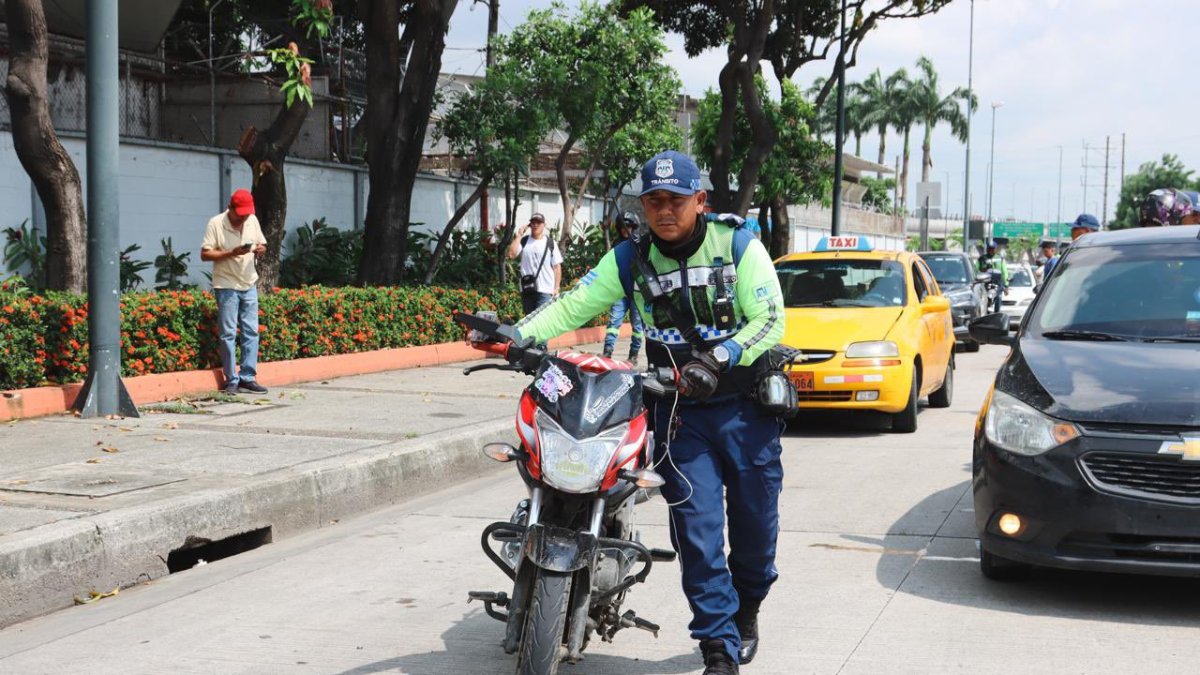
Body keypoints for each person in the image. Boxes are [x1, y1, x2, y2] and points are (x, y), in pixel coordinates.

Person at [505, 150, 785, 675]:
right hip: (678, 411)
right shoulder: (630, 258)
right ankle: (719, 648)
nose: (664, 210)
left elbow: (771, 321)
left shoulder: (739, 245)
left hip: (747, 411)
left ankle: (748, 607)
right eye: (654, 200)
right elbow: (574, 304)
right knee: (697, 535)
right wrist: (515, 335)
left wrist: (720, 357)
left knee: (755, 533)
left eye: (676, 200)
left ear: (699, 201)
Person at [200, 189, 268, 395]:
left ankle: (248, 377)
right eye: (241, 214)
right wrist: (232, 252)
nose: (244, 217)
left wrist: (259, 248)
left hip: (249, 282)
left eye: (247, 214)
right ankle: (232, 379)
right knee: (228, 333)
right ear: (230, 208)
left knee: (251, 331)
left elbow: (262, 243)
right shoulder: (215, 223)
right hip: (226, 284)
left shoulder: (252, 220)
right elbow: (205, 254)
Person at [602, 212, 645, 362]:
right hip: (620, 290)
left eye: (629, 226)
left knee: (638, 326)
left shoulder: (640, 243)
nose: (625, 229)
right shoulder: (616, 244)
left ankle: (633, 354)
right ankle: (607, 352)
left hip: (636, 291)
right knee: (614, 322)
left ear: (633, 227)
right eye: (623, 226)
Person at [506, 213, 562, 315]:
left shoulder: (550, 243)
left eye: (538, 222)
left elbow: (557, 267)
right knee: (529, 323)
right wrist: (519, 236)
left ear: (544, 225)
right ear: (530, 225)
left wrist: (556, 288)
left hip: (545, 290)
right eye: (533, 222)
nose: (535, 225)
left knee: (541, 321)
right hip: (528, 289)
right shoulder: (524, 241)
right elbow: (511, 254)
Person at [1043, 213, 1100, 279]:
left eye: (1075, 228)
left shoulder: (1098, 254)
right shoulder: (1074, 252)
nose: (1071, 230)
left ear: (1087, 231)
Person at [978, 241, 1009, 313]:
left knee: (998, 297)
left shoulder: (1000, 259)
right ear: (987, 249)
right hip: (985, 283)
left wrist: (1006, 285)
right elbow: (976, 270)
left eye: (993, 249)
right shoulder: (982, 259)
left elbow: (1004, 272)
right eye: (989, 249)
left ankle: (997, 313)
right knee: (982, 298)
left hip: (997, 283)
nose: (991, 250)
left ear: (996, 249)